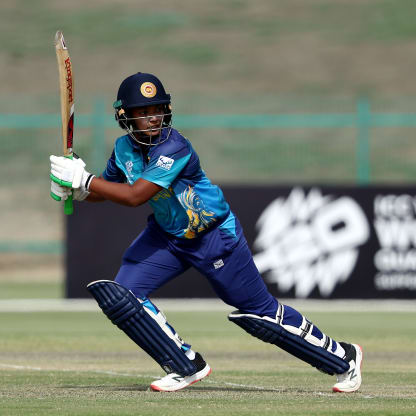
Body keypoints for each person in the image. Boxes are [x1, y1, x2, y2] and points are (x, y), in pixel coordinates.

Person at [49, 72, 363, 393]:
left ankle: (344, 357)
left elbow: (135, 196)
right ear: (125, 116)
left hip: (214, 238)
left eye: (157, 109)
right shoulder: (123, 149)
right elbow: (112, 188)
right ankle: (185, 365)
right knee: (124, 296)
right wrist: (79, 190)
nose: (152, 118)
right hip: (166, 236)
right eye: (143, 112)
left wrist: (83, 180)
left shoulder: (175, 146)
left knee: (260, 317)